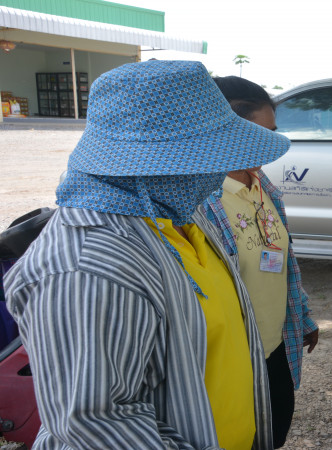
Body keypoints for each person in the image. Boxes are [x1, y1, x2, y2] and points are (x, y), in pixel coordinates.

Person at [3, 60, 291, 449]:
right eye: (210, 153)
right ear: (158, 163)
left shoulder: (174, 216)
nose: (221, 167)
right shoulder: (87, 268)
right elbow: (99, 425)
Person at [199, 75, 319, 448]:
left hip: (275, 345)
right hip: (230, 356)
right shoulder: (200, 199)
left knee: (272, 433)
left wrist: (302, 316)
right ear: (221, 129)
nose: (272, 143)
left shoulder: (261, 183)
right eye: (259, 132)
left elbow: (283, 261)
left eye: (273, 130)